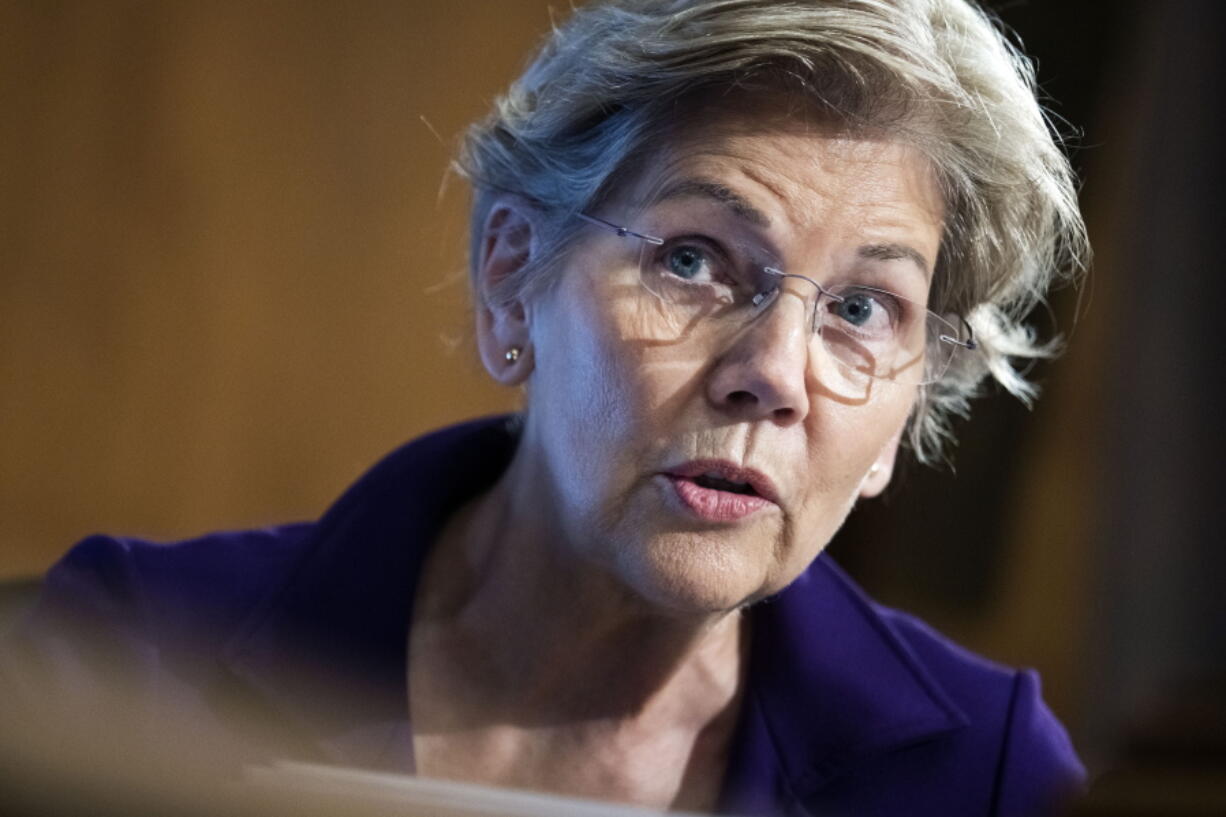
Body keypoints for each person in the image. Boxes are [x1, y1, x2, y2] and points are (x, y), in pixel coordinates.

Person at [2, 0, 1090, 815]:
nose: (772, 369)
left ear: (907, 404)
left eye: (862, 306)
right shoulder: (133, 655)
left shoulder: (983, 776)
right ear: (513, 271)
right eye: (695, 259)